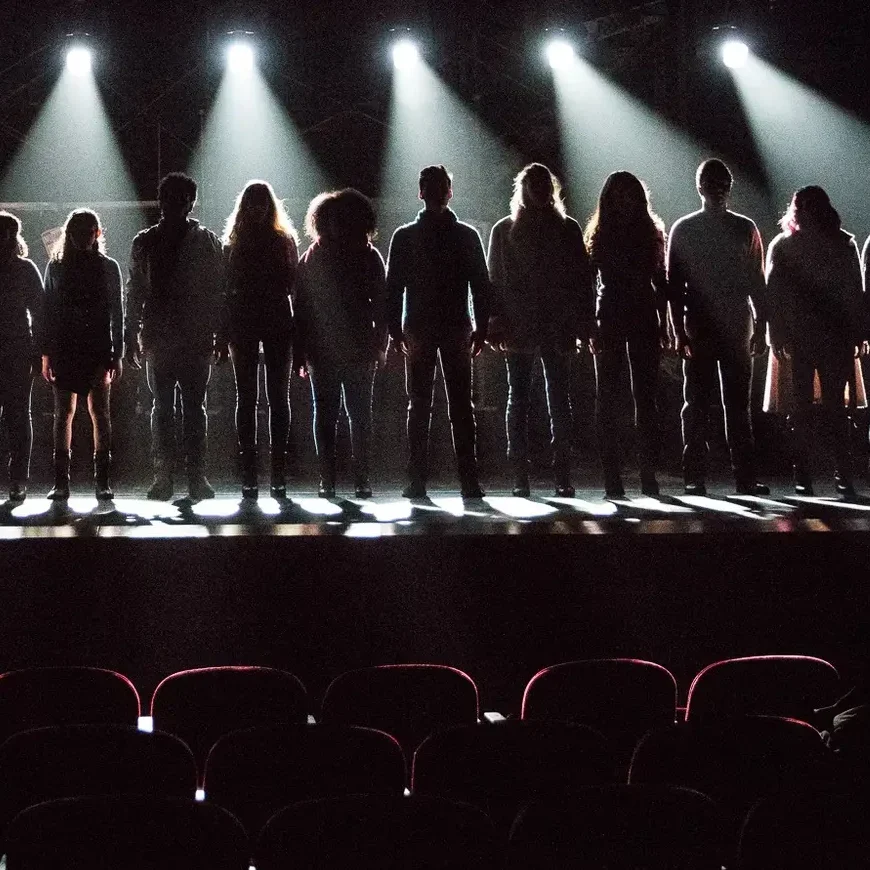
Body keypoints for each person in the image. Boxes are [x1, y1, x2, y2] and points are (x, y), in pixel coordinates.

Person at [487, 163, 592, 497]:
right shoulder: (506, 231)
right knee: (522, 399)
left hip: (556, 324)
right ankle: (521, 474)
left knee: (555, 400)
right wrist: (495, 323)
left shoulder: (567, 229)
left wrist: (584, 324)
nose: (540, 188)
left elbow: (581, 282)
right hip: (521, 325)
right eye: (534, 182)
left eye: (544, 182)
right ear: (524, 188)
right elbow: (494, 282)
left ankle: (560, 473)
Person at [386, 165, 490, 500]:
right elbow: (480, 285)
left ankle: (417, 480)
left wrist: (394, 328)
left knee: (420, 404)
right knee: (460, 405)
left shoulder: (405, 236)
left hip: (420, 327)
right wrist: (482, 327)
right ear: (449, 192)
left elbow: (394, 287)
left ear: (422, 192)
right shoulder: (466, 235)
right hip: (454, 326)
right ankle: (468, 481)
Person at [667, 158, 769, 496]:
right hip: (713, 325)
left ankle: (715, 477)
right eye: (713, 181)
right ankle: (722, 476)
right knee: (703, 404)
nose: (718, 187)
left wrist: (763, 325)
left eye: (722, 181)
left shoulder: (693, 228)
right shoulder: (738, 228)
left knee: (721, 405)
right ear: (700, 187)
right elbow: (674, 286)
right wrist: (678, 331)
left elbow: (758, 281)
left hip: (727, 325)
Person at [126, 172, 224, 501]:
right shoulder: (197, 240)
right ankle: (179, 478)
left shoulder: (152, 240)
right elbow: (135, 290)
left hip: (184, 337)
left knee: (179, 409)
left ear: (189, 202)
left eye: (182, 199)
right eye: (173, 199)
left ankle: (179, 478)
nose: (178, 205)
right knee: (176, 409)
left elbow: (218, 291)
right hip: (168, 337)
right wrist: (131, 332)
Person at [766, 186, 866, 497]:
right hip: (812, 336)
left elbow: (854, 291)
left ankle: (817, 475)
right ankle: (825, 474)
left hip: (819, 335)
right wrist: (776, 333)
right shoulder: (838, 243)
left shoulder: (789, 245)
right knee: (815, 409)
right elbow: (774, 295)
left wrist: (859, 330)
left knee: (819, 408)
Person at [294, 189, 387, 498]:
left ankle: (335, 480)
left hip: (340, 347)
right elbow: (303, 308)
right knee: (350, 415)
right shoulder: (364, 255)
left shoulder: (314, 257)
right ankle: (350, 479)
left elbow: (303, 308)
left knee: (339, 415)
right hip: (339, 347)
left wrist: (379, 342)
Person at [585, 171, 669, 498]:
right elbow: (587, 282)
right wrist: (590, 325)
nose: (625, 199)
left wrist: (665, 324)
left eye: (629, 193)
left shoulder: (647, 232)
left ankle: (646, 475)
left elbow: (661, 283)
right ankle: (614, 478)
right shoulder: (604, 233)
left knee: (643, 399)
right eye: (619, 194)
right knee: (609, 399)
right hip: (614, 315)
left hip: (639, 314)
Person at [221, 180, 298, 500]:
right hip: (260, 319)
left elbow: (294, 284)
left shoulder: (239, 244)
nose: (256, 208)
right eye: (252, 203)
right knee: (254, 397)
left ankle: (263, 472)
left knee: (270, 396)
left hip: (263, 319)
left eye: (260, 203)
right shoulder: (276, 241)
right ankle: (260, 472)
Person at [41, 210, 123, 501]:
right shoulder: (58, 267)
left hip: (95, 347)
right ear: (70, 233)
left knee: (97, 412)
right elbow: (48, 311)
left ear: (97, 233)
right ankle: (64, 482)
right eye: (79, 231)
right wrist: (46, 353)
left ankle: (100, 481)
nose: (84, 236)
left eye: (89, 231)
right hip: (68, 348)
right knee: (67, 412)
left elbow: (117, 313)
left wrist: (118, 352)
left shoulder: (105, 267)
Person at [0, 212, 43, 502]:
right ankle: (18, 481)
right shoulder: (25, 268)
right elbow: (40, 314)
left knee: (18, 416)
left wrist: (39, 353)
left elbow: (40, 314)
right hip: (18, 348)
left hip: (17, 349)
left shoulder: (25, 269)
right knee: (18, 416)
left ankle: (18, 480)